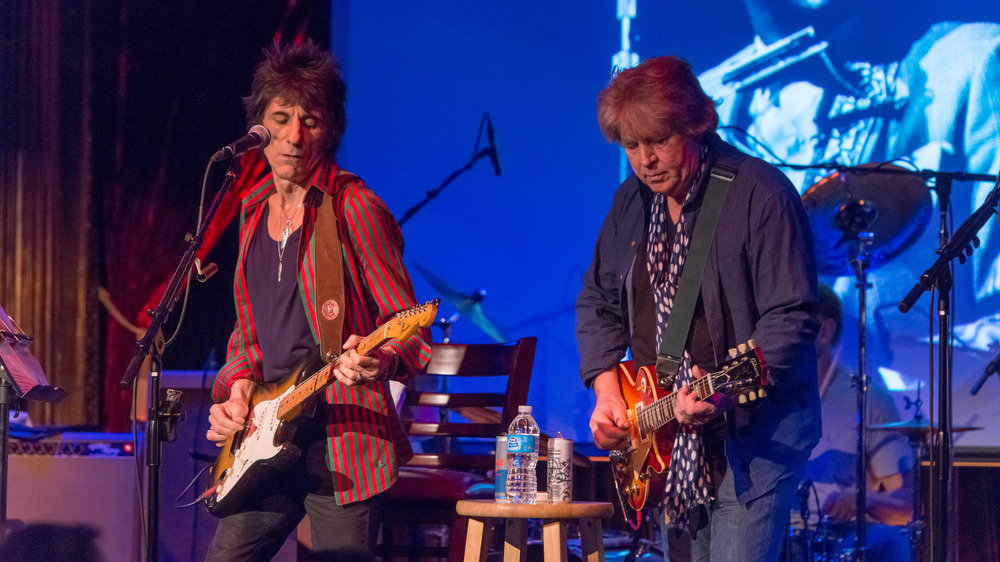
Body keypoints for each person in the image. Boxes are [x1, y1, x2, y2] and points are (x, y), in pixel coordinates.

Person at [576, 55, 822, 561]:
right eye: (631, 146)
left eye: (658, 140)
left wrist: (725, 396)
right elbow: (598, 300)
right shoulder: (631, 202)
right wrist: (606, 392)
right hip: (667, 439)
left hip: (752, 441)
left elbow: (791, 316)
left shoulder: (761, 194)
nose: (645, 160)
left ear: (698, 122)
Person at [204, 40, 431, 560]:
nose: (293, 136)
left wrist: (379, 359)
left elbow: (409, 326)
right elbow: (248, 330)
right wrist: (237, 389)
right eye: (280, 119)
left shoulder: (355, 207)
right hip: (265, 437)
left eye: (311, 120)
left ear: (330, 130)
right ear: (258, 125)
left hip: (344, 441)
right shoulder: (252, 211)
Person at [790, 285, 913, 561]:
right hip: (775, 532)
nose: (782, 335)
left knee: (890, 543)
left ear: (825, 331)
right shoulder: (769, 394)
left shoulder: (870, 400)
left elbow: (906, 504)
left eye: (792, 324)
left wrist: (863, 500)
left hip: (842, 535)